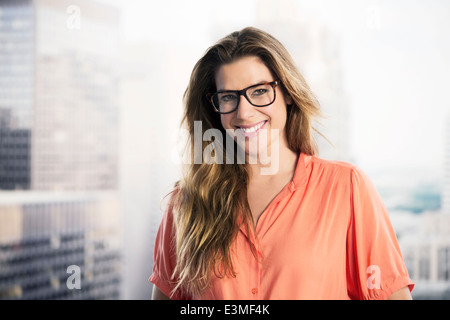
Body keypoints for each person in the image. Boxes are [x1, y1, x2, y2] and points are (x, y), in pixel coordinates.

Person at [149, 26, 414, 300]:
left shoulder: (346, 189)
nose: (244, 112)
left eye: (260, 91)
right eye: (228, 97)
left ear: (287, 92)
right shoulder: (187, 202)